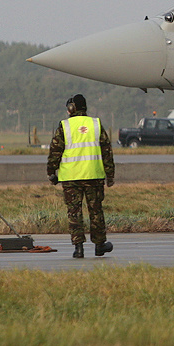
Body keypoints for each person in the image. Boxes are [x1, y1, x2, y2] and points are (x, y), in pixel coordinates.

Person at [47, 94, 115, 258]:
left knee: (74, 212)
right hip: (94, 176)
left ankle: (78, 248)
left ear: (72, 108)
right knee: (96, 211)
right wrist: (110, 175)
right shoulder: (96, 124)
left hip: (70, 178)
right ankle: (99, 245)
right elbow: (107, 151)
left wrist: (51, 172)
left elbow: (55, 151)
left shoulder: (65, 126)